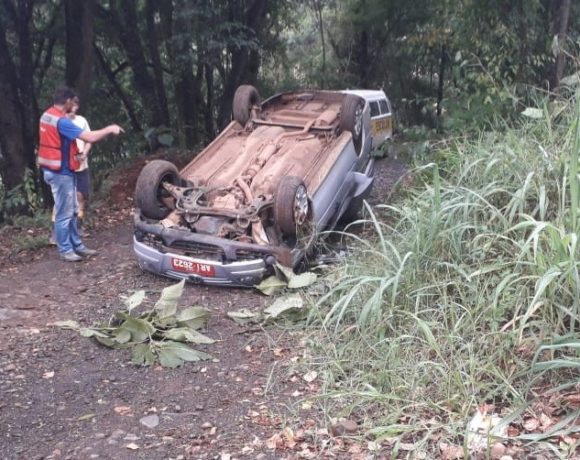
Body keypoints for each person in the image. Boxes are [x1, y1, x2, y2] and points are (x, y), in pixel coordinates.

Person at [39, 86, 124, 262]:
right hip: (61, 173)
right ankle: (65, 250)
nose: (74, 105)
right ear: (67, 101)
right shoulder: (62, 122)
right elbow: (90, 137)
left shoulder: (47, 115)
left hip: (55, 169)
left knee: (73, 210)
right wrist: (110, 128)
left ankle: (77, 246)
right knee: (64, 213)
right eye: (73, 101)